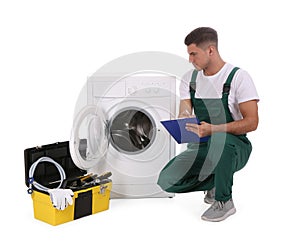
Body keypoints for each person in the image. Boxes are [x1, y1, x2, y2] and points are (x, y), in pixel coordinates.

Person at [157, 27, 259, 222]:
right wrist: (182, 118)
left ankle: (224, 201)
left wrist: (214, 129)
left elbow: (252, 122)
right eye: (188, 54)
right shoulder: (190, 79)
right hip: (201, 146)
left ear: (210, 51)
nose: (190, 60)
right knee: (166, 180)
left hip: (234, 147)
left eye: (194, 54)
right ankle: (214, 181)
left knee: (220, 141)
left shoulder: (238, 77)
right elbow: (185, 109)